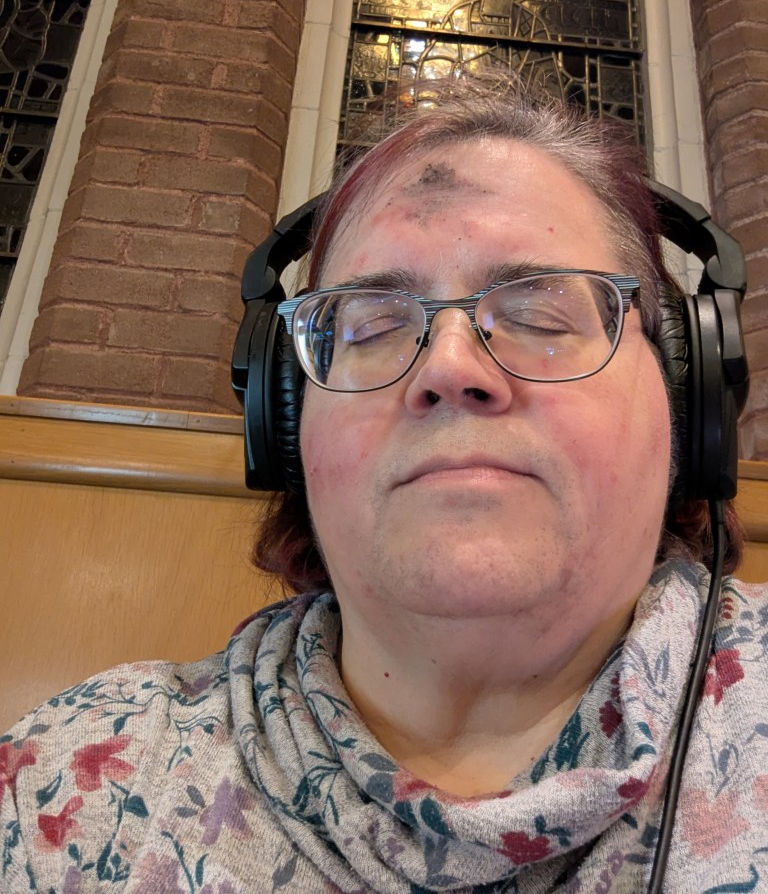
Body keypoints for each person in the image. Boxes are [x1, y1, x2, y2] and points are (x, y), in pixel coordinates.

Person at [1, 74, 764, 894]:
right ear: (284, 419)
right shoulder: (63, 783)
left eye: (542, 316)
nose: (448, 367)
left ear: (689, 398)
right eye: (370, 327)